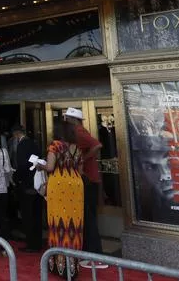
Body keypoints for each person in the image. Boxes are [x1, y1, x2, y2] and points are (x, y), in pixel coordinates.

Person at [64, 107, 105, 265]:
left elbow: (97, 145)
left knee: (88, 217)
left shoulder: (78, 132)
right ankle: (89, 251)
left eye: (67, 118)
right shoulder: (79, 131)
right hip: (88, 179)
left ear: (72, 119)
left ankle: (95, 254)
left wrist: (85, 158)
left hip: (87, 179)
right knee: (87, 217)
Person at [44, 120, 84, 278]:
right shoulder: (77, 148)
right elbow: (80, 170)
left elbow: (50, 167)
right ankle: (73, 267)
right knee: (74, 224)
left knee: (57, 222)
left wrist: (40, 166)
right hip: (76, 186)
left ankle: (58, 265)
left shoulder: (55, 145)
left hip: (59, 185)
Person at [11, 124, 43, 252]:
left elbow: (22, 165)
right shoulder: (34, 143)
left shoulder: (22, 145)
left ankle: (31, 243)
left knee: (28, 215)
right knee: (36, 214)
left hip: (26, 184)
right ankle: (38, 241)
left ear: (16, 134)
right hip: (36, 182)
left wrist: (16, 177)